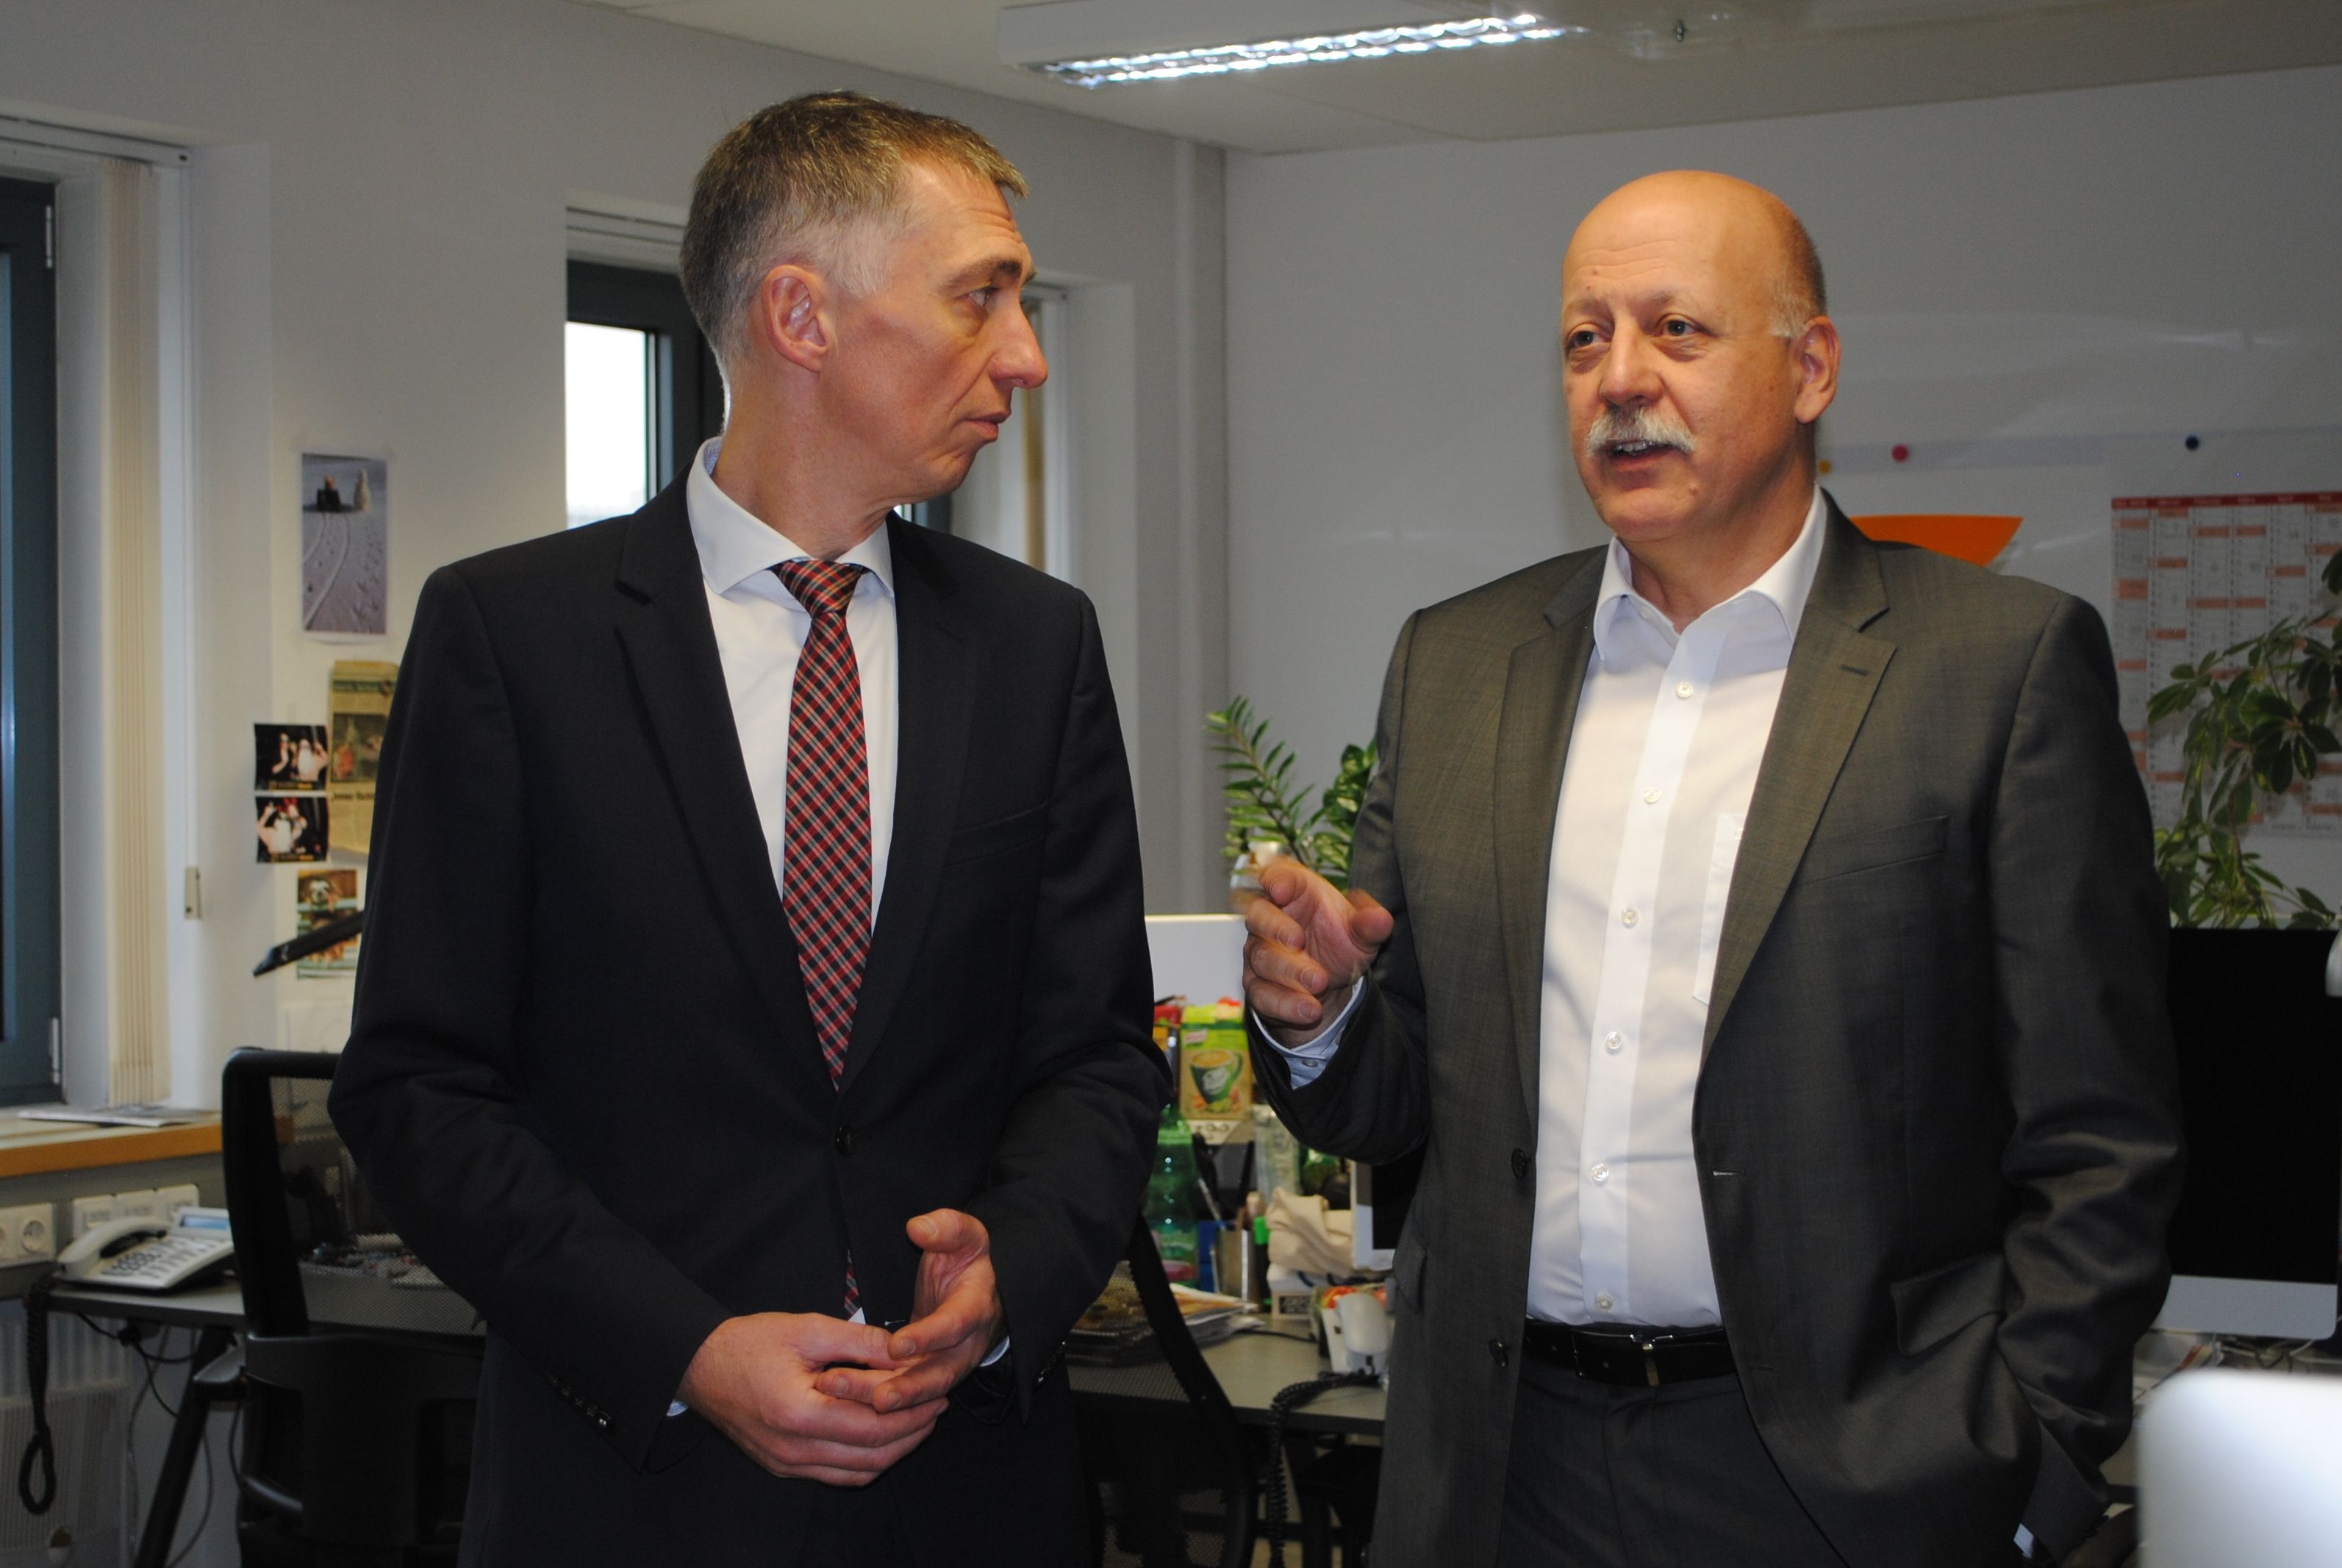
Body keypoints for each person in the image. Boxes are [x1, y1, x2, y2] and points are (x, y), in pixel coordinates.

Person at [1243, 171, 2180, 1568]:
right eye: (1584, 339)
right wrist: (1320, 1016)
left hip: (1851, 1478)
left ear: (1810, 369)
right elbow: (1397, 1105)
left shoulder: (1995, 667)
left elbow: (2100, 1134)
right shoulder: (1456, 664)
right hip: (1502, 1471)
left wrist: (2029, 1461)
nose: (1620, 379)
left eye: (1675, 330)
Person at [329, 93, 1164, 1567]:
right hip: (629, 1493)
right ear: (801, 315)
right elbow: (418, 1090)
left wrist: (1014, 1270)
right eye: (978, 298)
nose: (1024, 357)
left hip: (966, 1490)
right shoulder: (514, 637)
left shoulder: (1037, 647)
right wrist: (688, 1348)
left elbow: (1094, 1055)